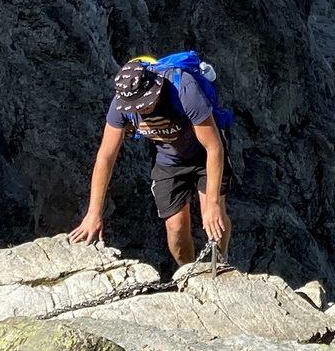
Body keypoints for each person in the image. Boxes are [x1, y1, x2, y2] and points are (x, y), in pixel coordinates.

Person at [69, 55, 232, 265]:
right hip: (169, 162)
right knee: (175, 227)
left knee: (214, 215)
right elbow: (105, 157)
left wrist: (212, 203)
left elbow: (213, 147)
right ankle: (189, 273)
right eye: (136, 106)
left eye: (145, 102)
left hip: (203, 156)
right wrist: (93, 213)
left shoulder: (183, 89)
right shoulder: (120, 106)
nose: (142, 109)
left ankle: (220, 262)